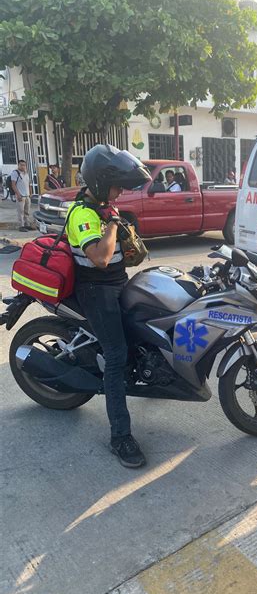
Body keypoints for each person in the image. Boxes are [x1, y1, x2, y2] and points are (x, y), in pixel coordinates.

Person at [66, 144, 151, 468]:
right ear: (100, 182)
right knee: (116, 356)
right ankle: (120, 437)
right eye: (116, 186)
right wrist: (115, 225)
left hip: (117, 284)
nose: (119, 193)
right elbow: (100, 258)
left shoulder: (103, 209)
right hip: (95, 291)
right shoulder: (83, 215)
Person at [11, 160, 33, 231]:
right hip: (20, 196)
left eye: (24, 165)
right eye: (21, 165)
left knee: (27, 211)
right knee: (21, 212)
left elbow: (29, 184)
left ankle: (27, 224)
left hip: (27, 196)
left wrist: (30, 192)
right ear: (18, 165)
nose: (23, 166)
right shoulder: (15, 173)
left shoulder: (26, 173)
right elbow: (13, 185)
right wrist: (18, 194)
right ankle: (21, 226)